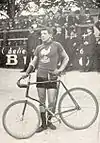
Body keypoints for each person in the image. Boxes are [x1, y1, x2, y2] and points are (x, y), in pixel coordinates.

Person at [22, 27, 69, 133]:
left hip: (52, 76)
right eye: (41, 34)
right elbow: (33, 62)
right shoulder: (39, 47)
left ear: (50, 35)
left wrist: (60, 70)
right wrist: (27, 72)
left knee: (52, 101)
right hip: (40, 76)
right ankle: (43, 124)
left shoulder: (57, 45)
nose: (42, 35)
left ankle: (49, 121)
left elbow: (66, 58)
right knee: (41, 101)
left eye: (44, 33)